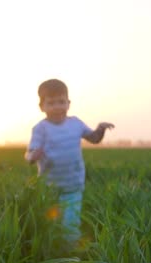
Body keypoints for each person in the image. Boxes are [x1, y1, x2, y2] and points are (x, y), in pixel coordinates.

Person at [25, 79, 114, 246]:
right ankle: (52, 252)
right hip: (49, 188)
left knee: (70, 224)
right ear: (42, 107)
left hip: (73, 186)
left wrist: (100, 129)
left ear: (68, 103)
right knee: (51, 224)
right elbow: (29, 154)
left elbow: (94, 139)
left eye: (61, 102)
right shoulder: (40, 129)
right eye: (51, 103)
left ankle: (72, 256)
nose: (57, 107)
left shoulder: (76, 123)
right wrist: (32, 156)